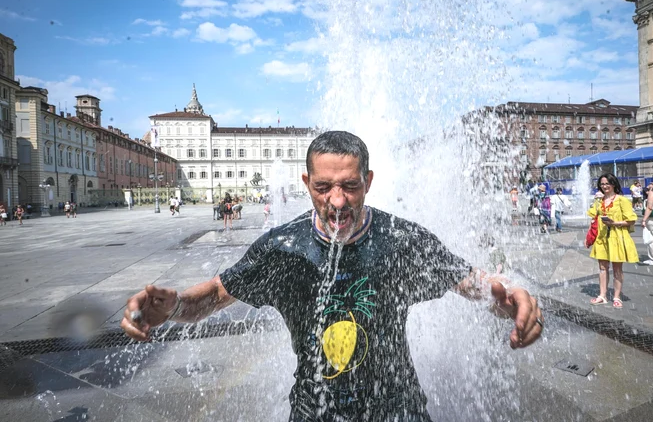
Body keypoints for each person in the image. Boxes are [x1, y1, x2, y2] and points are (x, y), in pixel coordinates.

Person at [121, 130, 543, 421]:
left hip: (397, 410)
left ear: (369, 181)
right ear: (306, 183)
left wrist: (507, 297)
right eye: (323, 187)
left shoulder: (400, 240)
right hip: (314, 412)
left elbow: (469, 282)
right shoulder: (282, 249)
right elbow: (215, 295)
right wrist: (174, 306)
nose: (337, 201)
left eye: (350, 186)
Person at [587, 173, 639, 308]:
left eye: (607, 183)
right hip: (602, 238)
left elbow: (631, 219)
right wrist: (595, 200)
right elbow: (593, 215)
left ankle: (616, 296)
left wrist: (615, 223)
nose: (604, 186)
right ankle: (602, 295)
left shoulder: (622, 200)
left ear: (613, 184)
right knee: (602, 268)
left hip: (617, 237)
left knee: (617, 269)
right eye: (602, 184)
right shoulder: (600, 201)